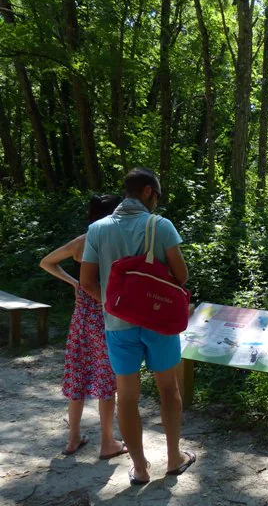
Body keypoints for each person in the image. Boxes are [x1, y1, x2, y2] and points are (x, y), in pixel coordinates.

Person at [80, 167, 196, 485]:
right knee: (168, 389)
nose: (156, 202)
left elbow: (87, 281)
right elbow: (181, 276)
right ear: (147, 191)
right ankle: (174, 458)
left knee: (126, 396)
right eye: (156, 195)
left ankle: (141, 468)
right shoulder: (160, 226)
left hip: (118, 324)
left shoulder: (98, 229)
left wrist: (111, 302)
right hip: (159, 320)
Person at [40, 194, 128, 459]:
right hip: (106, 314)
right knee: (105, 377)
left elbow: (46, 262)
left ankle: (73, 438)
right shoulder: (114, 239)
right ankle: (107, 442)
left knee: (77, 373)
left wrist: (74, 283)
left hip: (81, 317)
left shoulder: (82, 241)